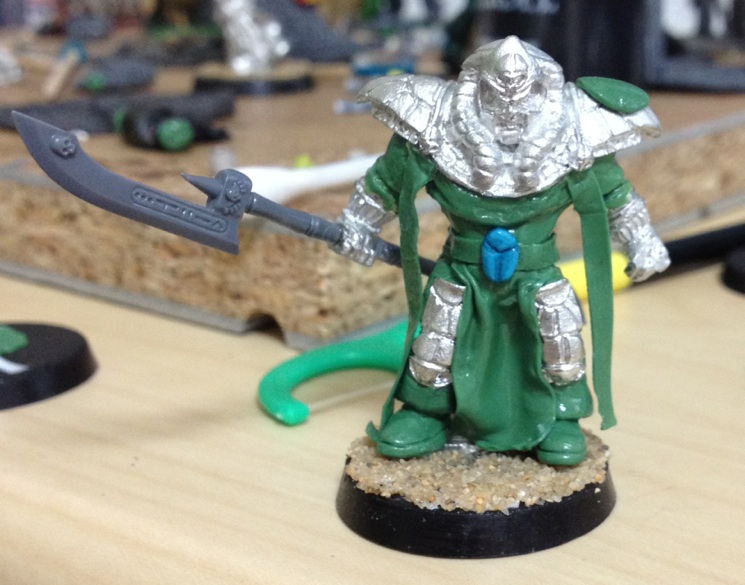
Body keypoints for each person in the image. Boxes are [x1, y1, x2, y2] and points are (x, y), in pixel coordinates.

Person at [332, 36, 670, 465]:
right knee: (438, 338)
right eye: (496, 97)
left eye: (523, 97)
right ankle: (425, 411)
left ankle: (560, 416)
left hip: (536, 271)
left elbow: (617, 198)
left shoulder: (576, 133)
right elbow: (382, 183)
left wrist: (642, 241)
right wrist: (357, 225)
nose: (510, 112)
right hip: (462, 269)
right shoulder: (434, 128)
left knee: (558, 337)